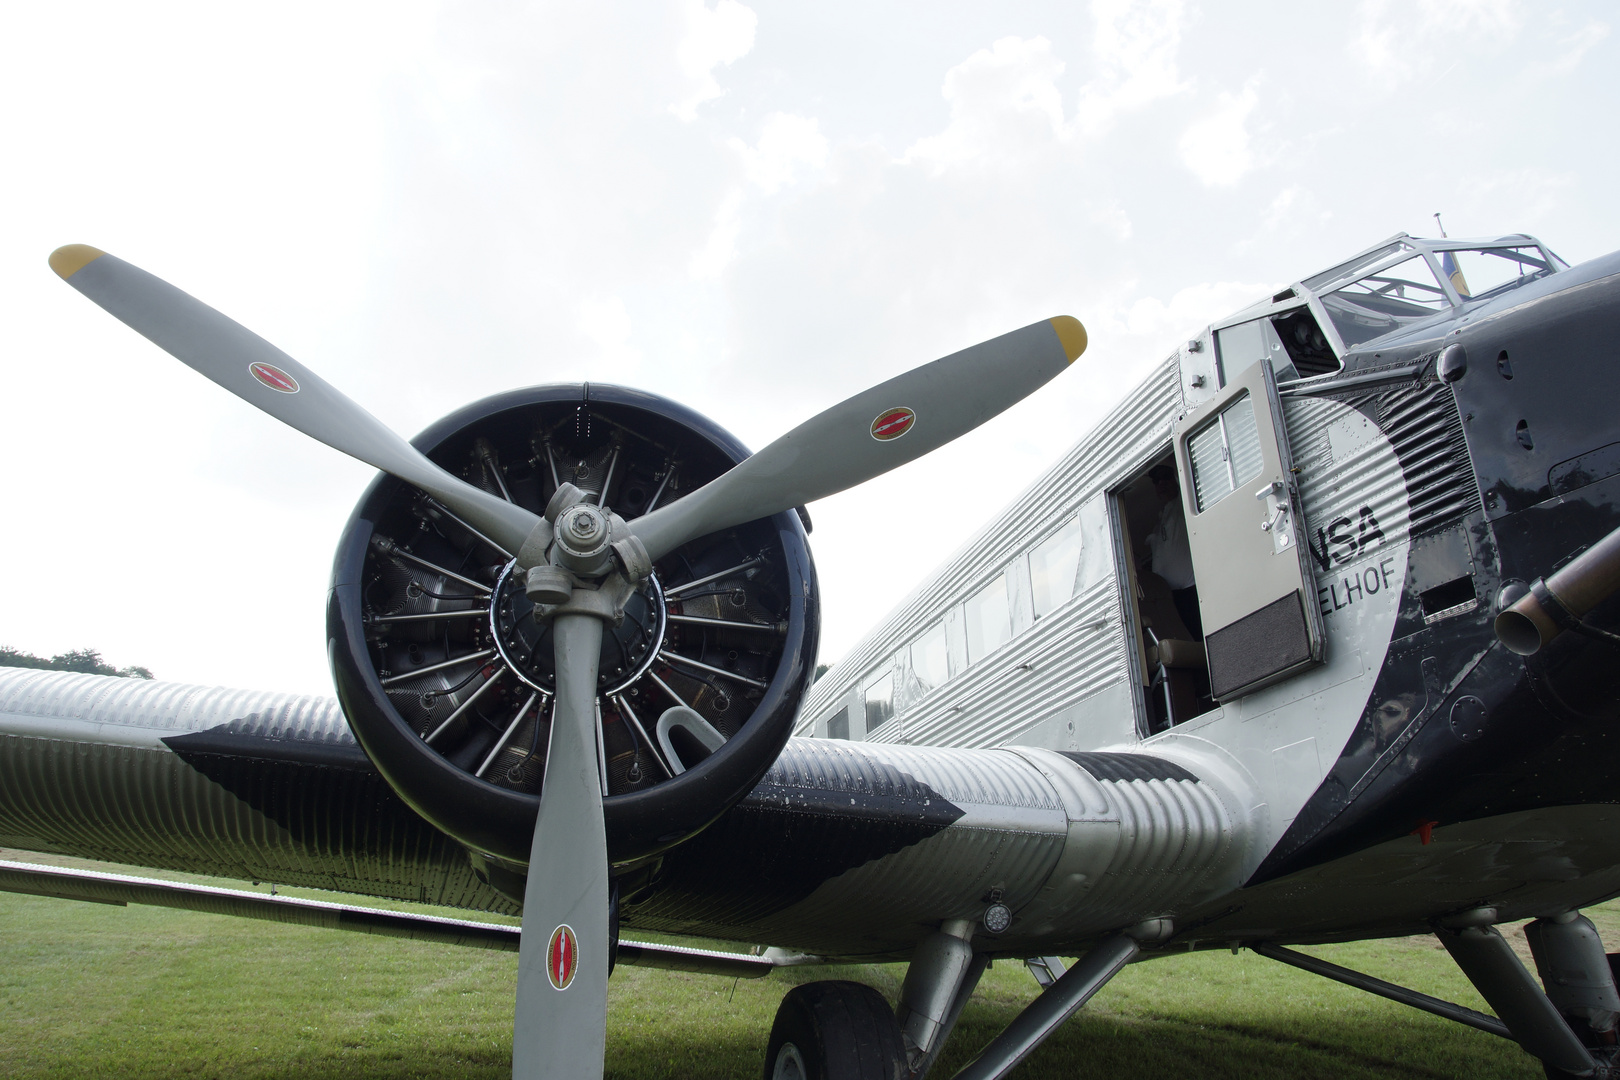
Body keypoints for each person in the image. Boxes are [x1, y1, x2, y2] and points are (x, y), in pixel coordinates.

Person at [1145, 464, 1202, 639]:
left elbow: (1185, 477)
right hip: (1172, 597)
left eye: (1166, 478)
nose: (1162, 484)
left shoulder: (1183, 503)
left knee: (1201, 631)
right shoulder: (1162, 517)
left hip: (1192, 588)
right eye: (1157, 481)